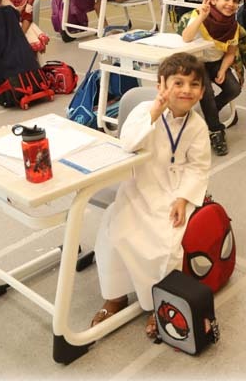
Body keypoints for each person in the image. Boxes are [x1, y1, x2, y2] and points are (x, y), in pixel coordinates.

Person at [90, 53, 211, 339]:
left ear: (202, 92)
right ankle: (116, 295)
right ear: (161, 85)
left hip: (174, 191)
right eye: (177, 83)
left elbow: (198, 167)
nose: (185, 90)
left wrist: (183, 198)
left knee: (166, 245)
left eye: (194, 85)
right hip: (140, 185)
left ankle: (162, 305)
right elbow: (129, 143)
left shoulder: (198, 126)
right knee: (114, 230)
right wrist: (156, 110)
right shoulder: (145, 110)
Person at [181, 0, 243, 156]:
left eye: (235, 0)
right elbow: (186, 37)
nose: (230, 4)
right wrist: (201, 16)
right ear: (213, 0)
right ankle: (216, 130)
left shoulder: (233, 25)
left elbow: (231, 52)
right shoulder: (199, 14)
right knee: (206, 92)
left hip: (216, 63)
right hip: (197, 63)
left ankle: (211, 111)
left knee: (234, 88)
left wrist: (223, 70)